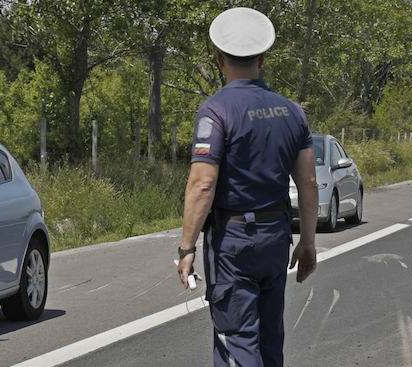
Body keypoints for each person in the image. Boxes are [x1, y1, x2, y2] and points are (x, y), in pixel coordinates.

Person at [176, 7, 319, 367]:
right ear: (263, 60)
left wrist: (186, 248)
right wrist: (308, 242)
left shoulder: (215, 111)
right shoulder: (293, 112)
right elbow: (309, 183)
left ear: (220, 59)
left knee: (237, 345)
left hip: (233, 243)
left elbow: (202, 184)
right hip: (275, 238)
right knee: (271, 344)